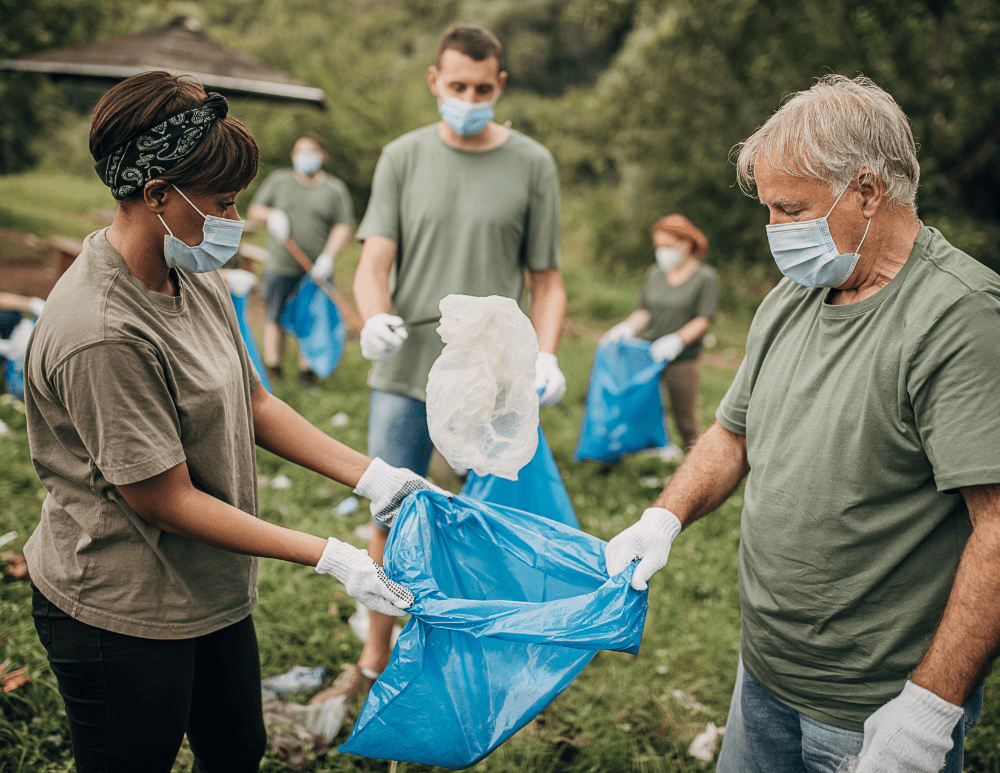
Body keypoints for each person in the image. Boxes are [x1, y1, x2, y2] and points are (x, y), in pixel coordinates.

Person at [22, 72, 442, 773]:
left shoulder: (192, 272)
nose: (234, 217)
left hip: (208, 587)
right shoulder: (102, 330)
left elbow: (255, 401)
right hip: (119, 606)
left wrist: (375, 477)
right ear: (158, 196)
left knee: (236, 749)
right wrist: (330, 554)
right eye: (222, 201)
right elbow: (163, 498)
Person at [606, 74, 1000, 773]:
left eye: (791, 209)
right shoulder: (795, 295)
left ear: (869, 191)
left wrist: (929, 708)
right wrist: (663, 516)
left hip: (873, 711)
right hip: (763, 675)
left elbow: (997, 529)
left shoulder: (961, 317)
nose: (776, 233)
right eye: (769, 210)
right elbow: (734, 434)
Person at [333, 23, 568, 706]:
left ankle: (477, 668)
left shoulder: (532, 164)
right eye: (456, 85)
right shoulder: (402, 157)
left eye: (481, 88)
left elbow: (546, 279)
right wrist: (373, 312)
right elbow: (375, 260)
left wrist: (545, 353)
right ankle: (375, 660)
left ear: (501, 87)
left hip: (491, 381)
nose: (468, 97)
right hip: (406, 374)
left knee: (488, 520)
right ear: (435, 82)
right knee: (389, 513)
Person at [600, 214, 718, 456]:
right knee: (636, 409)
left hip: (682, 359)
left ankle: (695, 467)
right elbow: (645, 311)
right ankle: (633, 455)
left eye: (667, 246)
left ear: (684, 245)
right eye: (658, 247)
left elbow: (703, 318)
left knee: (685, 419)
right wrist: (627, 327)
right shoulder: (655, 274)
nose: (661, 252)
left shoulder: (705, 278)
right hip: (647, 355)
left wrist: (678, 339)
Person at [248, 133, 353, 387]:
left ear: (322, 155)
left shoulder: (334, 189)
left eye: (311, 151)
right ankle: (273, 370)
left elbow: (342, 226)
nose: (305, 157)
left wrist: (328, 257)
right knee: (275, 316)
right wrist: (272, 214)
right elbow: (255, 210)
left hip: (315, 271)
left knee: (311, 319)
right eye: (300, 151)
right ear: (293, 156)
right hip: (280, 265)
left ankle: (308, 374)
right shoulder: (279, 181)